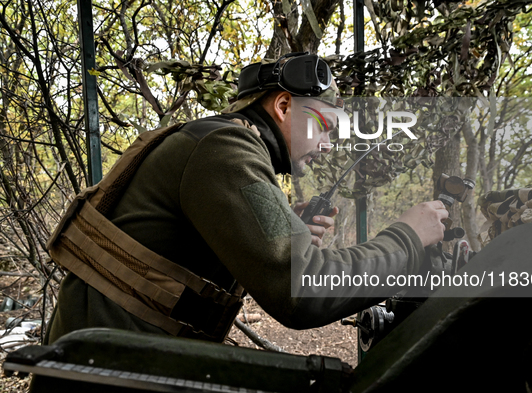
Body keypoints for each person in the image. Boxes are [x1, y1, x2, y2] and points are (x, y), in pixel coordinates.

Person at [42, 53, 448, 346]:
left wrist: (288, 229)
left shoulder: (220, 142)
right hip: (114, 367)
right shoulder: (227, 149)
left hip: (114, 353)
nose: (328, 146)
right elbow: (303, 290)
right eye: (325, 127)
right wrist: (407, 238)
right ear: (285, 105)